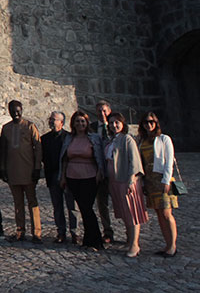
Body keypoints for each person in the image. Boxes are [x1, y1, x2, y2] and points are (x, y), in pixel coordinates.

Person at [59, 110, 105, 251]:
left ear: (87, 123)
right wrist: (63, 176)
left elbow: (99, 156)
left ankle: (96, 241)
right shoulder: (69, 138)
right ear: (73, 123)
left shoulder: (94, 138)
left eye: (83, 121)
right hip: (73, 176)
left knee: (87, 208)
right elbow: (65, 158)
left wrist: (100, 172)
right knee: (83, 209)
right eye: (77, 121)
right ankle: (88, 239)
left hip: (89, 176)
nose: (80, 124)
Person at [105, 112, 147, 257]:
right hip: (114, 181)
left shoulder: (127, 139)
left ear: (123, 124)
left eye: (116, 122)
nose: (114, 125)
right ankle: (130, 240)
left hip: (126, 180)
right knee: (124, 211)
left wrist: (132, 179)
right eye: (111, 123)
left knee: (132, 211)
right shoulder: (112, 140)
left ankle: (135, 245)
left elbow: (135, 161)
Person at [0, 100, 43, 243]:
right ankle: (20, 230)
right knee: (17, 203)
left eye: (18, 110)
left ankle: (37, 232)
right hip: (13, 170)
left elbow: (38, 148)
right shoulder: (6, 128)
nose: (16, 113)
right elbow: (4, 150)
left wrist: (37, 168)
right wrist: (3, 168)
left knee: (32, 202)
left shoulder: (30, 126)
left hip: (28, 170)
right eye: (13, 111)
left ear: (22, 110)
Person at [138, 111, 178, 257]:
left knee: (167, 213)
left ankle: (173, 245)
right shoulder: (142, 141)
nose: (149, 125)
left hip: (161, 179)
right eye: (146, 122)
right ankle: (167, 244)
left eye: (151, 122)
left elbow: (169, 161)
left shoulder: (164, 139)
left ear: (156, 123)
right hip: (149, 180)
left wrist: (166, 180)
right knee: (159, 213)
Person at [41, 111, 78, 244]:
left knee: (72, 206)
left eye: (54, 119)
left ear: (61, 123)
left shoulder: (69, 137)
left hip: (68, 176)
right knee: (57, 206)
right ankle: (60, 232)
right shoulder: (44, 139)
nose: (51, 121)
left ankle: (75, 232)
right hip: (52, 176)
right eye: (50, 119)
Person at [90, 100, 114, 243]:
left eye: (104, 110)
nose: (102, 113)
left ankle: (130, 232)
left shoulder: (116, 125)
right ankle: (108, 231)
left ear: (109, 111)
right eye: (99, 111)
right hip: (98, 171)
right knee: (102, 203)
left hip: (115, 171)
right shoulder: (92, 128)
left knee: (120, 203)